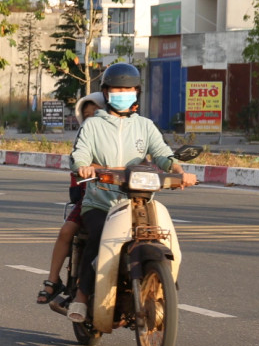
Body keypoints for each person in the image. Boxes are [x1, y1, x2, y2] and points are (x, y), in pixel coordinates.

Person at [67, 63, 197, 323]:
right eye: (117, 88)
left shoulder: (145, 126)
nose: (122, 92)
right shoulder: (92, 126)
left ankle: (162, 288)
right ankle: (81, 297)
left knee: (166, 239)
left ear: (136, 92)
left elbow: (162, 153)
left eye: (128, 88)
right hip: (101, 202)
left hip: (138, 202)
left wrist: (179, 171)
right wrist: (83, 166)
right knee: (99, 240)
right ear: (106, 92)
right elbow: (80, 154)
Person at [36, 92, 105, 306]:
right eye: (87, 115)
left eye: (97, 112)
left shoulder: (132, 130)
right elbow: (77, 162)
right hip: (93, 197)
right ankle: (53, 280)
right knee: (67, 231)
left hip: (127, 198)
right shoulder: (84, 137)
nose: (92, 118)